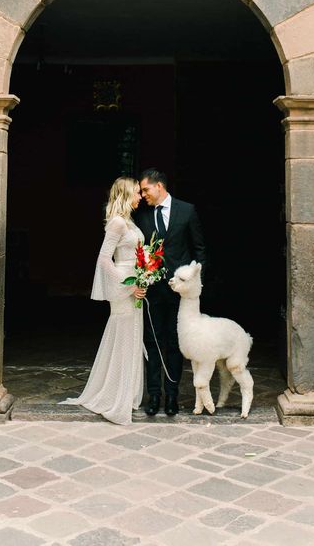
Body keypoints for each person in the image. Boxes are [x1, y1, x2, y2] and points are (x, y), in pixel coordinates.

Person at [59, 177, 146, 425]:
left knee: (132, 336)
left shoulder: (128, 221)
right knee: (124, 337)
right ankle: (115, 395)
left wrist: (143, 275)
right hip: (125, 289)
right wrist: (128, 285)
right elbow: (105, 259)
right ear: (127, 193)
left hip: (135, 285)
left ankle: (126, 392)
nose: (140, 196)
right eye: (137, 192)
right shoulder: (118, 223)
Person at [134, 168, 206, 416]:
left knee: (175, 343)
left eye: (145, 189)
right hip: (152, 291)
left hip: (179, 293)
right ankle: (154, 395)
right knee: (152, 342)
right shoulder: (141, 216)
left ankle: (172, 396)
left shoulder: (187, 211)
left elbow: (199, 250)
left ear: (159, 187)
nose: (143, 195)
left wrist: (196, 286)